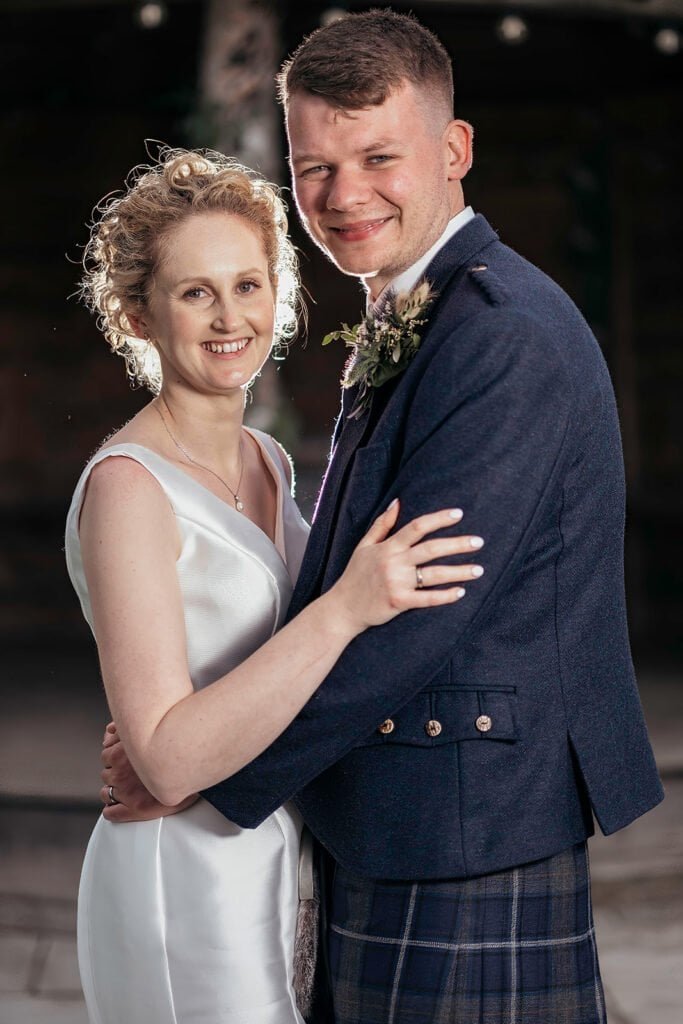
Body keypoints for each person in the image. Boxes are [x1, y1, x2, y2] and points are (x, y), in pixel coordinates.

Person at [102, 10, 664, 1024]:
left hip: (463, 830)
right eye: (313, 167)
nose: (342, 195)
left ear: (452, 151)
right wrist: (184, 734)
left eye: (375, 157)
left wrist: (206, 771)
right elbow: (345, 583)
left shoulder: (501, 338)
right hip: (406, 816)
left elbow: (415, 615)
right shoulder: (421, 311)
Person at [65, 146, 486, 1024]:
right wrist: (344, 610)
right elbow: (170, 757)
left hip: (270, 847)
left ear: (278, 294)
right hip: (180, 874)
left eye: (248, 284)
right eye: (194, 292)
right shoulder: (127, 490)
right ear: (139, 316)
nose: (230, 317)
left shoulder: (266, 457)